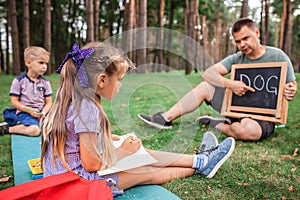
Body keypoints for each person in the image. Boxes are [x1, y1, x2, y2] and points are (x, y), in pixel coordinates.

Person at [41, 42, 235, 197]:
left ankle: (200, 160)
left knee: (142, 153)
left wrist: (111, 140)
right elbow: (92, 165)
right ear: (102, 80)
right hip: (80, 185)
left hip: (61, 178)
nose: (121, 85)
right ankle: (202, 165)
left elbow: (77, 140)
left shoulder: (71, 98)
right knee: (146, 170)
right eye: (120, 79)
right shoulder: (89, 108)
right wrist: (125, 151)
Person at [138, 18, 297, 142]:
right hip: (235, 106)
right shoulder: (237, 58)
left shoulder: (278, 56)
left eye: (246, 38)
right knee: (205, 86)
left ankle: (218, 124)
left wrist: (290, 90)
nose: (242, 44)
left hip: (262, 117)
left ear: (257, 33)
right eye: (238, 41)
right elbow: (208, 73)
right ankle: (164, 119)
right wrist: (230, 84)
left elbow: (291, 86)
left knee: (248, 132)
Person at [0, 46, 52, 136]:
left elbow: (49, 102)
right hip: (25, 112)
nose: (44, 66)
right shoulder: (18, 81)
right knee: (35, 130)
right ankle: (7, 129)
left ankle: (20, 125)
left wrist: (43, 113)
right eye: (41, 63)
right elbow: (14, 102)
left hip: (42, 113)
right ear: (28, 62)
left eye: (46, 63)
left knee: (55, 128)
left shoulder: (46, 83)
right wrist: (30, 111)